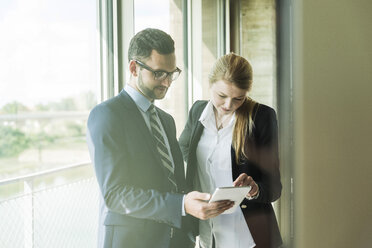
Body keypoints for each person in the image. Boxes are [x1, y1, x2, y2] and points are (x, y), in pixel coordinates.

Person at [87, 28, 233, 248]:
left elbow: (174, 182)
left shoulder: (166, 120)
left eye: (171, 73)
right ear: (134, 68)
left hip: (175, 240)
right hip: (132, 241)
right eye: (158, 73)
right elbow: (115, 194)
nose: (166, 82)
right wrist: (182, 205)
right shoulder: (107, 115)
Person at [179, 53, 283, 248]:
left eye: (238, 98)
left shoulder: (262, 117)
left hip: (248, 237)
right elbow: (185, 148)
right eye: (222, 96)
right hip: (207, 235)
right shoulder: (197, 111)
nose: (228, 105)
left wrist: (254, 190)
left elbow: (274, 187)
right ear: (210, 85)